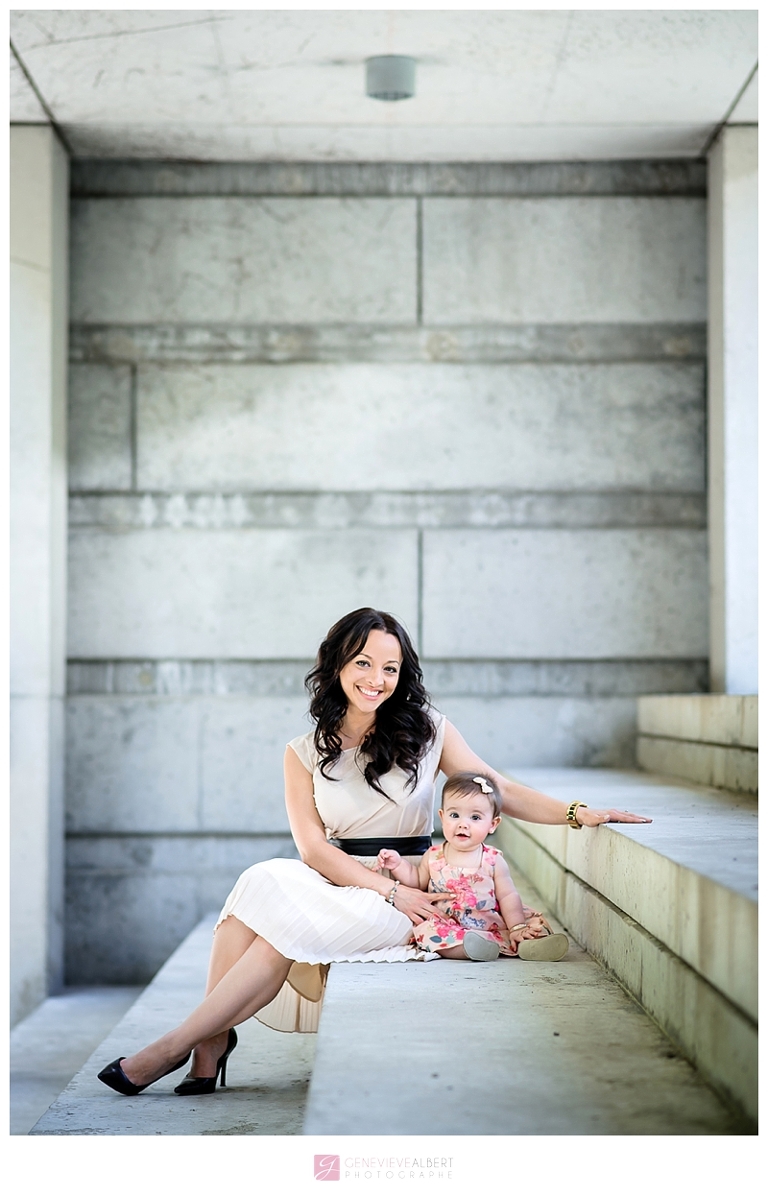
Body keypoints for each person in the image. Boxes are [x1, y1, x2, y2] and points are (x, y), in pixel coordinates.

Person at [97, 607, 651, 1097]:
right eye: (364, 663)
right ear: (338, 664)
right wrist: (388, 888)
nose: (377, 679)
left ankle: (180, 1047)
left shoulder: (429, 731)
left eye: (390, 668)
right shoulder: (300, 752)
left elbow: (497, 789)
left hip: (411, 888)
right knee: (260, 881)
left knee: (277, 932)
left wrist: (583, 813)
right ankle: (209, 1040)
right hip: (353, 880)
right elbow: (312, 849)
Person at [378, 772, 569, 962]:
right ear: (442, 817)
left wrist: (516, 926)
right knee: (432, 934)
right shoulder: (434, 855)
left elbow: (508, 896)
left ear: (493, 824)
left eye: (475, 818)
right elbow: (417, 880)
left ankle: (528, 944)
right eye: (454, 815)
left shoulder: (492, 859)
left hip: (492, 922)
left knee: (528, 922)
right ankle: (471, 949)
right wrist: (398, 864)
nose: (463, 824)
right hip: (450, 924)